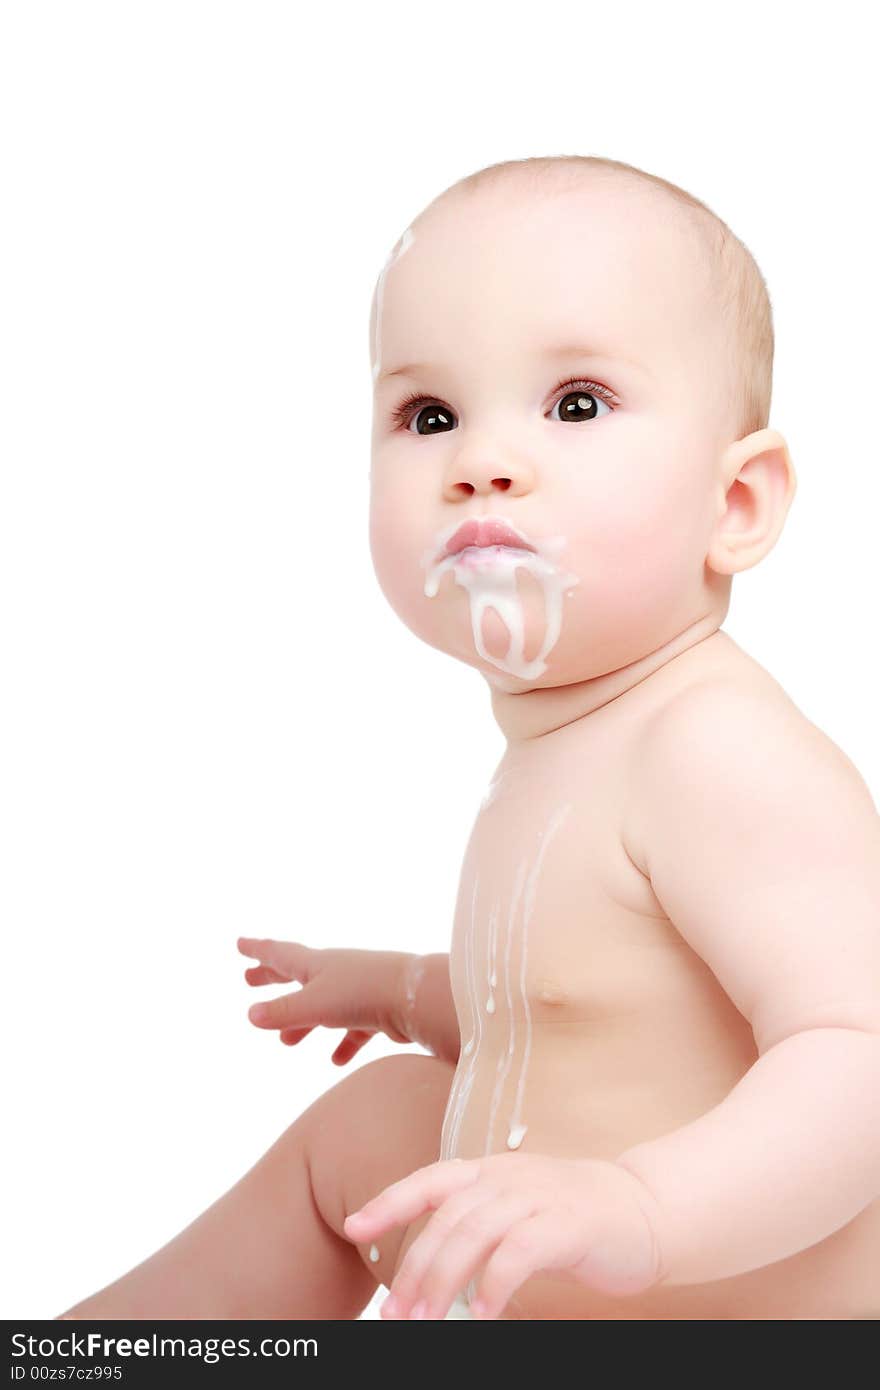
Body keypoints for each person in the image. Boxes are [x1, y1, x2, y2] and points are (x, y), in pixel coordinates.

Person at [59, 154, 880, 1321]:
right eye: (428, 414)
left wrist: (637, 1207)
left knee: (393, 1136)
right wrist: (398, 988)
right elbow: (584, 1008)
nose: (479, 462)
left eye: (577, 404)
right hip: (555, 1279)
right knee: (382, 1119)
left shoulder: (716, 750)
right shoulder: (570, 743)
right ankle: (85, 1354)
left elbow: (858, 1053)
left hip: (717, 1307)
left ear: (733, 504)